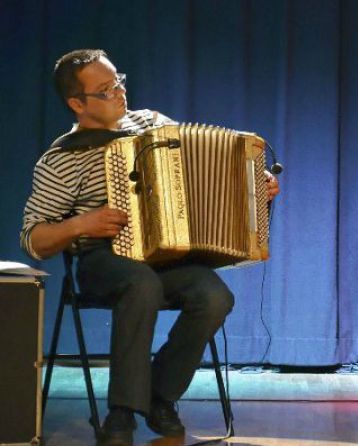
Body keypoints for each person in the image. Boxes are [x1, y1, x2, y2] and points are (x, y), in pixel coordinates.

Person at [21, 49, 280, 445]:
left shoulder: (151, 125)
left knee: (213, 295)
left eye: (118, 82)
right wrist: (81, 223)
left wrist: (255, 182)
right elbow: (33, 238)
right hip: (102, 259)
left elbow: (204, 170)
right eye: (106, 90)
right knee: (140, 284)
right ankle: (121, 415)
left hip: (162, 257)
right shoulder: (61, 160)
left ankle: (161, 396)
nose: (119, 92)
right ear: (77, 104)